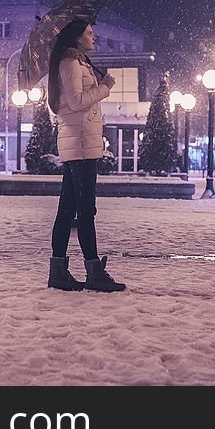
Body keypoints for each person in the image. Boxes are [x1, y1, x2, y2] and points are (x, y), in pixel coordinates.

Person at [46, 19, 125, 292]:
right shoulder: (69, 65)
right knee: (86, 210)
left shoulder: (77, 64)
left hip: (81, 142)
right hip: (80, 144)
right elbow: (77, 102)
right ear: (77, 38)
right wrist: (105, 87)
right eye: (90, 33)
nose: (94, 37)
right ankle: (93, 271)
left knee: (68, 210)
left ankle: (59, 270)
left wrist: (98, 83)